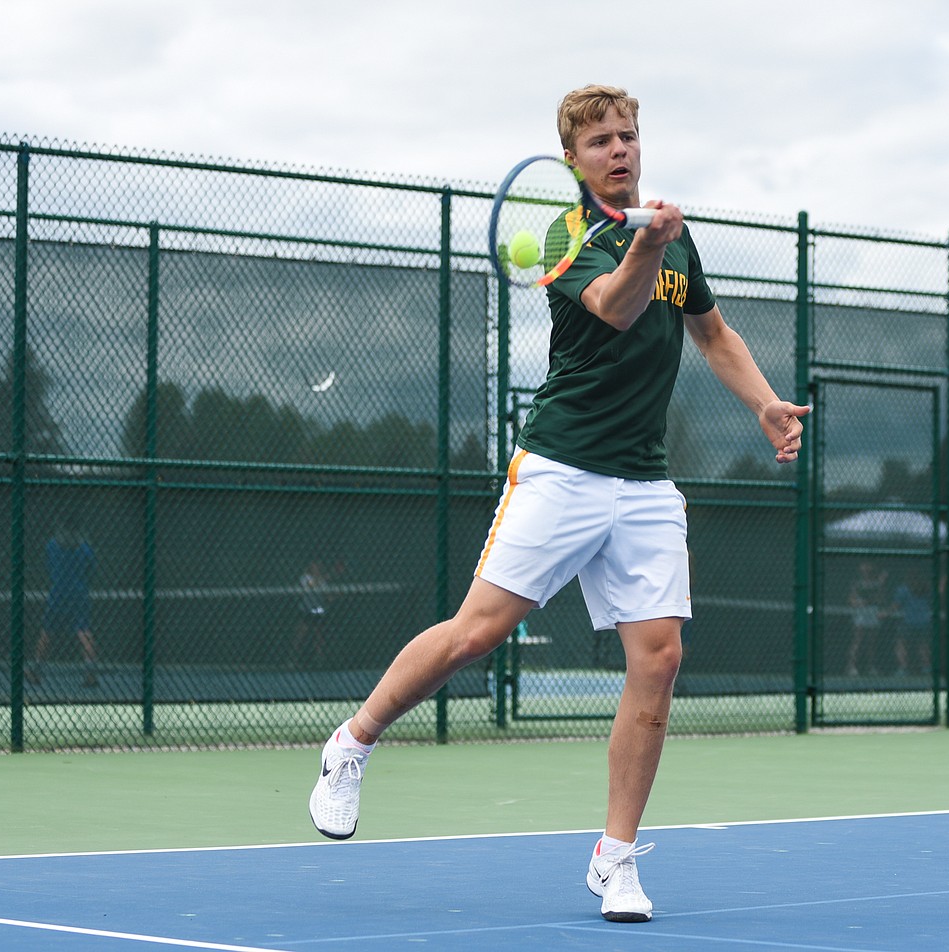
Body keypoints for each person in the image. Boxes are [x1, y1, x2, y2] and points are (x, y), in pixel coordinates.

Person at [307, 84, 809, 923]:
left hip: (645, 481)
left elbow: (713, 334)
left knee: (660, 658)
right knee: (478, 632)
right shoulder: (560, 235)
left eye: (630, 137)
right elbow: (615, 307)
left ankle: (616, 860)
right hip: (561, 468)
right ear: (572, 160)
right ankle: (352, 743)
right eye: (603, 141)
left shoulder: (674, 246)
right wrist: (650, 241)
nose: (621, 150)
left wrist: (761, 402)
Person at [27, 517, 99, 687]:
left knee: (47, 631)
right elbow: (91, 569)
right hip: (79, 592)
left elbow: (49, 565)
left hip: (58, 592)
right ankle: (90, 673)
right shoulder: (85, 548)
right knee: (84, 631)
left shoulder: (52, 545)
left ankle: (36, 671)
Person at [846, 560, 887, 677]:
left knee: (871, 643)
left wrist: (879, 588)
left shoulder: (877, 583)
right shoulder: (857, 583)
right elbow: (851, 600)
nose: (866, 569)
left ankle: (870, 667)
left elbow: (881, 599)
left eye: (869, 566)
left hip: (872, 613)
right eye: (864, 566)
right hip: (860, 614)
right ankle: (851, 667)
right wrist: (860, 602)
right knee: (857, 641)